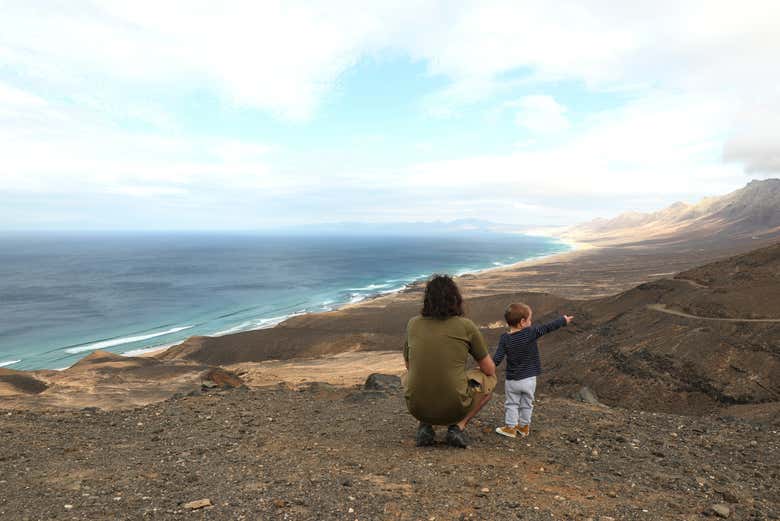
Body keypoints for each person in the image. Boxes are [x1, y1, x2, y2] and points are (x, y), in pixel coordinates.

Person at [403, 274, 496, 448]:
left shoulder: (413, 324)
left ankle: (425, 425)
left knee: (408, 376)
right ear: (455, 299)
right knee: (490, 381)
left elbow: (409, 365)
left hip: (416, 407)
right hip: (455, 407)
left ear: (427, 300)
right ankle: (457, 427)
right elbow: (489, 370)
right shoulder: (466, 326)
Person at [493, 302, 573, 438]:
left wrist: (486, 368)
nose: (531, 322)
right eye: (530, 319)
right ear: (523, 322)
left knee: (512, 403)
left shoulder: (505, 339)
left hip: (513, 380)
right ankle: (524, 427)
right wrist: (563, 320)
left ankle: (510, 428)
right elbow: (548, 327)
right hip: (530, 379)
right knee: (527, 404)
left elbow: (497, 358)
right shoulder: (530, 333)